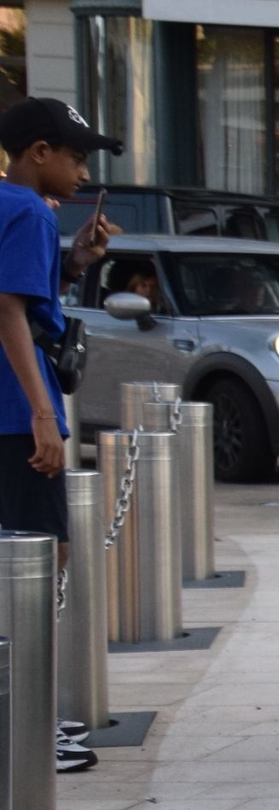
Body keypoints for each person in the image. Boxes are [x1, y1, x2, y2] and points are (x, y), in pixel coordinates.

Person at [0, 99, 117, 773]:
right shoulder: (25, 210)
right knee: (42, 564)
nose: (82, 170)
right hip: (16, 418)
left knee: (34, 563)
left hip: (13, 414)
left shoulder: (18, 210)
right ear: (38, 151)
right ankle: (30, 729)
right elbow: (10, 309)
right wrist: (42, 414)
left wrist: (75, 263)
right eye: (75, 156)